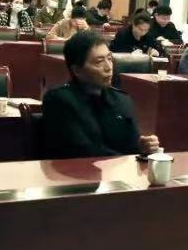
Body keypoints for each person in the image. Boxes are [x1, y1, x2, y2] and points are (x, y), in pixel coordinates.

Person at [40, 30, 160, 158]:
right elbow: (83, 151)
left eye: (109, 59)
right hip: (80, 169)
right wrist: (124, 160)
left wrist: (143, 147)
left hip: (121, 169)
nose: (109, 67)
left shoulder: (122, 100)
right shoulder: (59, 101)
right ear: (77, 70)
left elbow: (132, 145)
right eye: (99, 62)